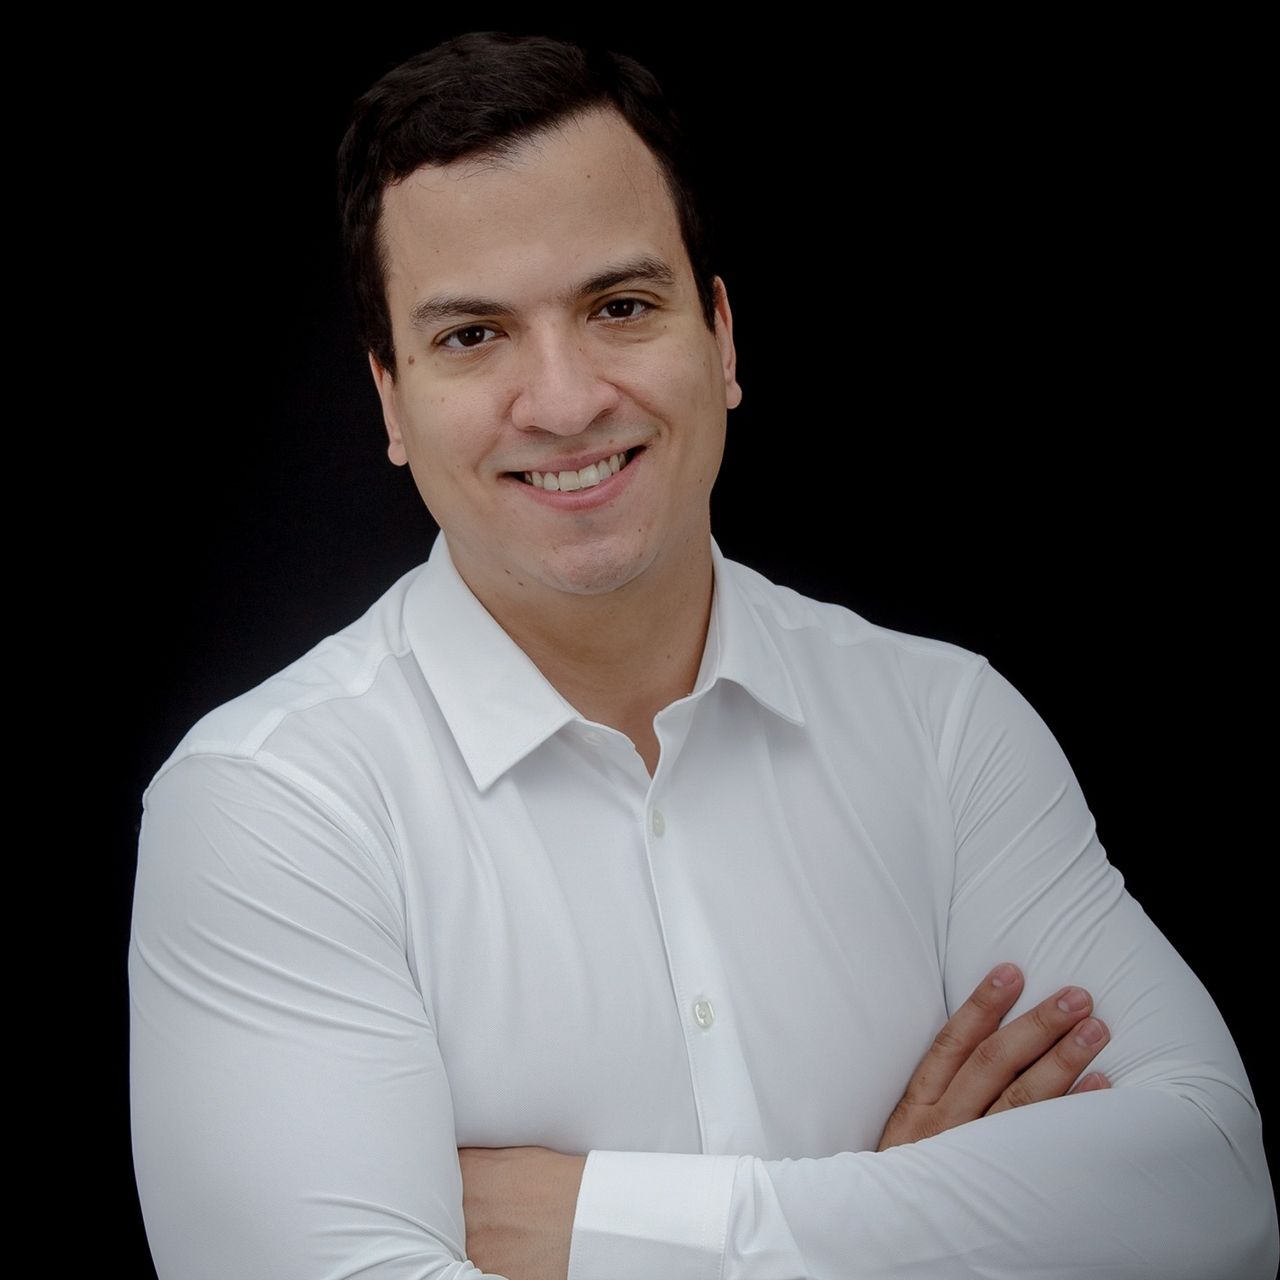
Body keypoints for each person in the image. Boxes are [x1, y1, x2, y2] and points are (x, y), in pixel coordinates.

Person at [128, 30, 1277, 1280]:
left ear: (721, 336)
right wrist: (919, 1222)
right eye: (472, 336)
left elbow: (1214, 1199)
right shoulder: (272, 806)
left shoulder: (942, 724)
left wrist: (606, 1225)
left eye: (619, 308)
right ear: (391, 400)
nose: (563, 400)